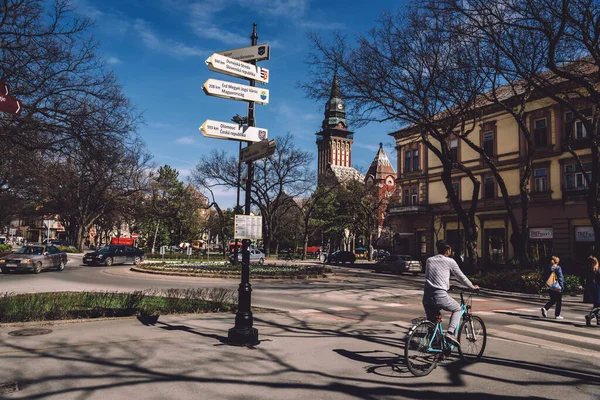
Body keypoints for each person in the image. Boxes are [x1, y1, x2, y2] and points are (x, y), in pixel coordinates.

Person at [423, 240, 479, 349]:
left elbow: (432, 275)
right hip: (439, 295)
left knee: (433, 322)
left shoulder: (429, 260)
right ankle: (450, 334)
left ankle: (435, 350)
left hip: (427, 296)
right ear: (448, 251)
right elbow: (461, 277)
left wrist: (446, 283)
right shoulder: (450, 261)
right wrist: (472, 287)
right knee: (458, 309)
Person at [541, 255, 564, 320]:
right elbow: (560, 278)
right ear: (557, 262)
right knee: (559, 301)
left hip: (550, 286)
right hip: (557, 286)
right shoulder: (558, 268)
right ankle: (557, 315)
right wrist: (562, 287)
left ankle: (545, 308)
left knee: (553, 300)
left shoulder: (548, 267)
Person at [583, 255, 600, 326]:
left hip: (590, 288)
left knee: (596, 304)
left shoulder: (586, 270)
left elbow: (581, 279)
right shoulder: (597, 270)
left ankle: (598, 319)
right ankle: (590, 316)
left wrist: (586, 286)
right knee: (598, 305)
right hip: (598, 288)